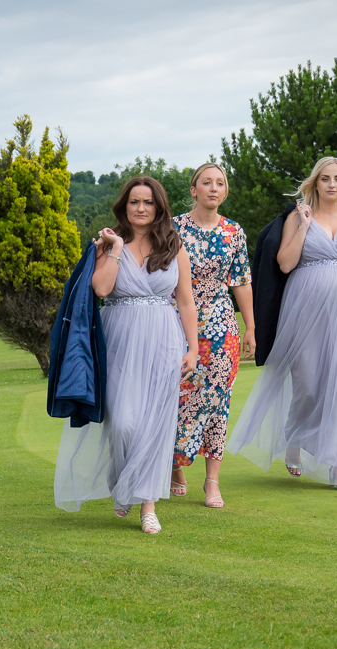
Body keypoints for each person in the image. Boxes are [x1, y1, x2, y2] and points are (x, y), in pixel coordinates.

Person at [54, 176, 198, 534]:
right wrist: (116, 247)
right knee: (121, 422)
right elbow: (101, 288)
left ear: (159, 207)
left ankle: (147, 505)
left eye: (148, 202)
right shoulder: (108, 243)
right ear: (124, 206)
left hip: (164, 340)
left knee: (154, 425)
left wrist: (193, 348)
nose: (141, 208)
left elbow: (185, 301)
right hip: (118, 340)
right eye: (134, 202)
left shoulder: (174, 246)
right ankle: (123, 482)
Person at [226, 157, 337, 490]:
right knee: (307, 383)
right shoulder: (299, 216)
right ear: (315, 183)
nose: (332, 185)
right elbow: (284, 263)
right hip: (305, 309)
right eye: (325, 179)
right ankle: (294, 438)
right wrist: (306, 225)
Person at [169, 163, 255, 508]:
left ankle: (212, 480)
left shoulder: (234, 231)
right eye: (207, 183)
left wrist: (251, 326)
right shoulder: (173, 228)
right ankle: (176, 464)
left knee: (218, 399)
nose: (214, 188)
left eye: (220, 183)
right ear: (194, 189)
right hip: (177, 320)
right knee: (179, 395)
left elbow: (242, 281)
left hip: (222, 325)